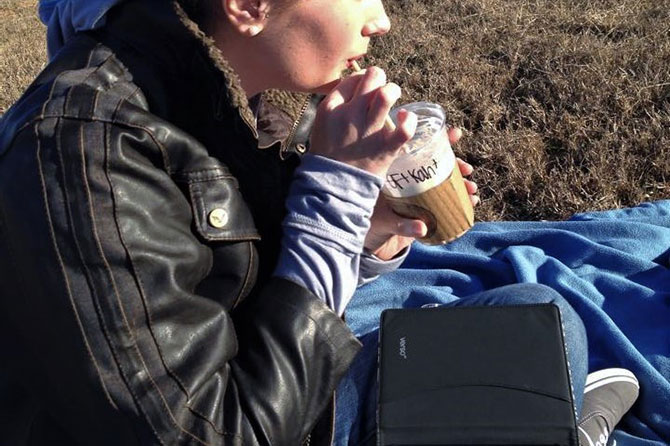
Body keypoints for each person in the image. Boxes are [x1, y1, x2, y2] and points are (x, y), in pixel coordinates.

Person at [0, 0, 638, 445]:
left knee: (539, 315)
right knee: (533, 366)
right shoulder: (85, 153)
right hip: (254, 420)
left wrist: (366, 229)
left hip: (284, 393)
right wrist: (336, 193)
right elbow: (216, 432)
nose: (381, 20)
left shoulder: (208, 94)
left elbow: (254, 279)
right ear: (248, 4)